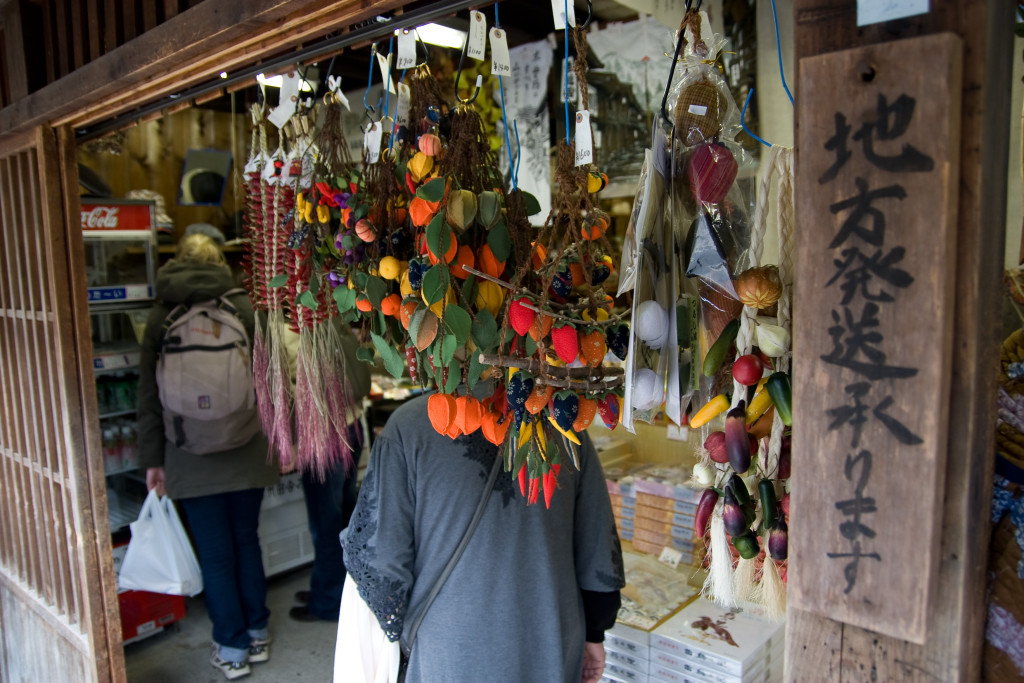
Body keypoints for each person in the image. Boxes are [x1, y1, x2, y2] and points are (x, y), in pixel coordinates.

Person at [338, 386, 625, 683]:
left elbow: (380, 562)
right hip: (549, 638)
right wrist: (595, 632)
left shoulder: (410, 426)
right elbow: (598, 545)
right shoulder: (561, 420)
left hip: (452, 651)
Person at [137, 233, 279, 681]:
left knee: (215, 555)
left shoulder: (160, 317)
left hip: (186, 453)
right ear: (220, 262)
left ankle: (231, 650)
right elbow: (273, 382)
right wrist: (282, 442)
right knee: (246, 541)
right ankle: (257, 633)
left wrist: (153, 459)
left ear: (178, 261)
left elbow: (148, 397)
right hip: (247, 445)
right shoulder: (244, 309)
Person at [284, 323, 371, 622]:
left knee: (326, 522)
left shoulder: (291, 333)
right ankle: (337, 588)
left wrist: (293, 442)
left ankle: (328, 600)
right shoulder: (333, 324)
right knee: (344, 516)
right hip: (352, 425)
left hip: (322, 436)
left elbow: (296, 393)